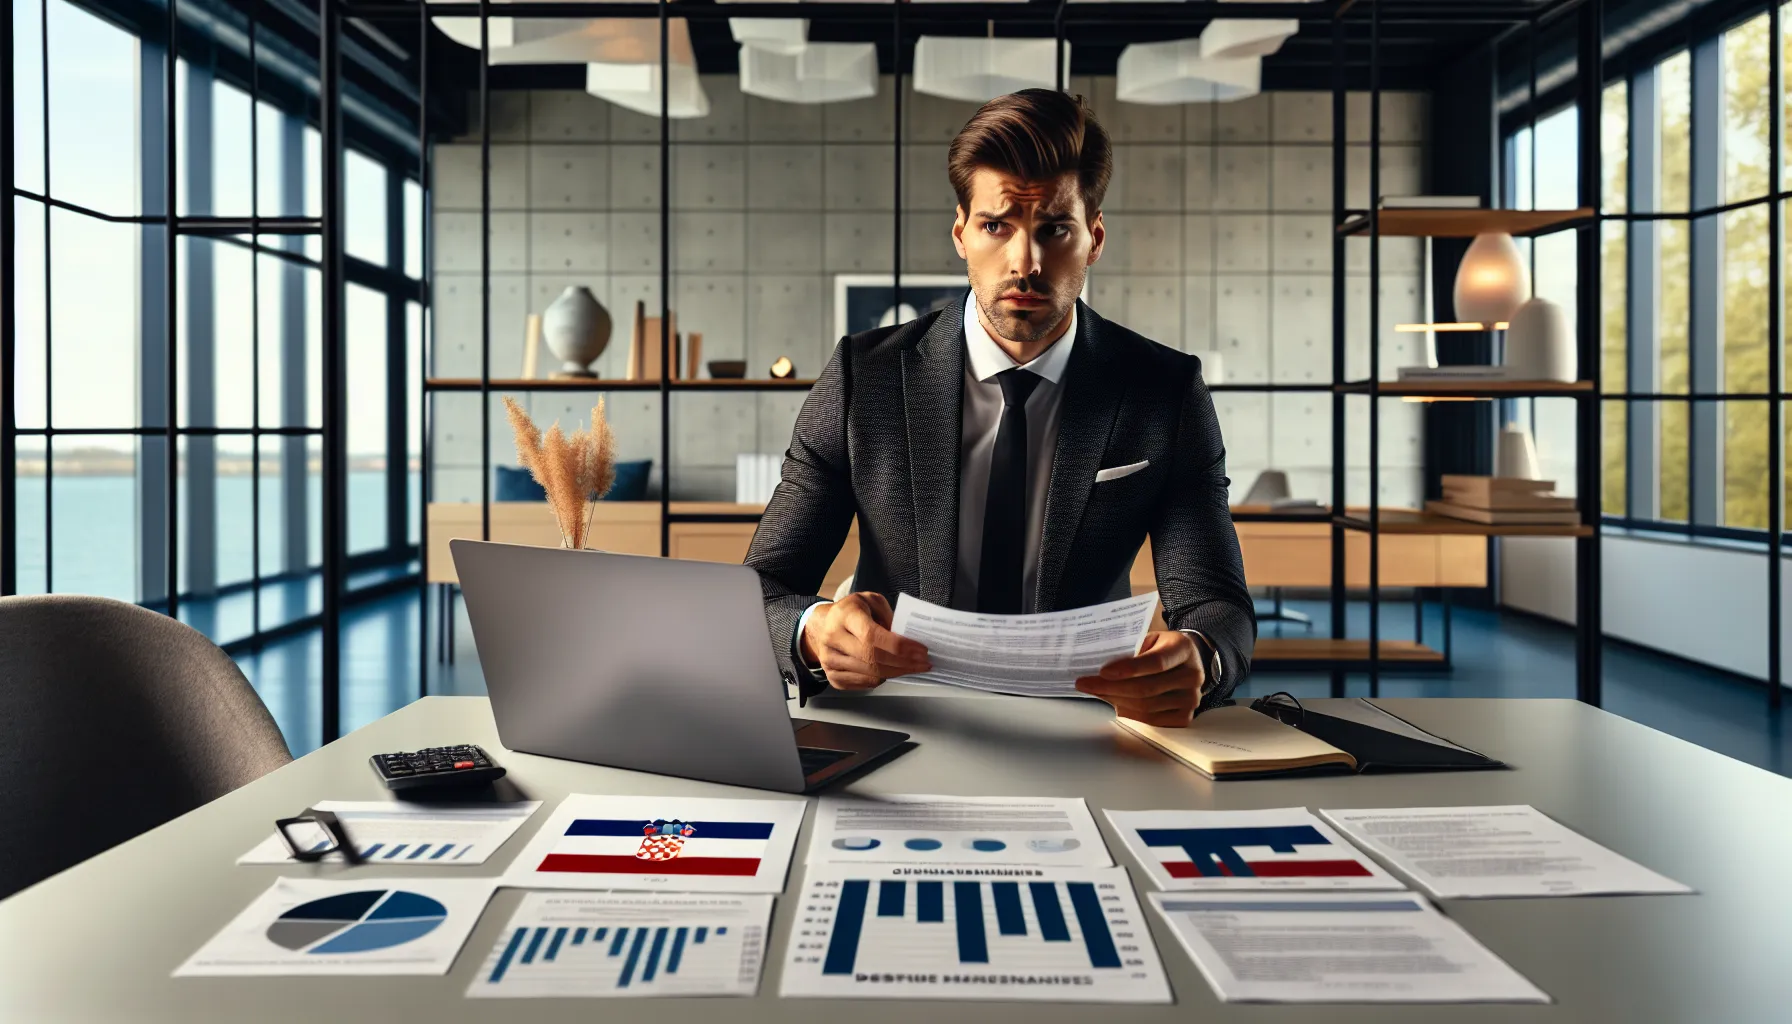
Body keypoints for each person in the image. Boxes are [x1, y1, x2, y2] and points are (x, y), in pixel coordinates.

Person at [744, 89, 1254, 727]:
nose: (1026, 262)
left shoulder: (1164, 391)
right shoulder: (863, 378)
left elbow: (1216, 603)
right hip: (900, 718)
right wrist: (815, 629)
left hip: (1088, 721)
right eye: (996, 226)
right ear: (960, 233)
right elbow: (762, 590)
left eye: (1054, 230)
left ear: (1093, 239)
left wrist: (1202, 660)